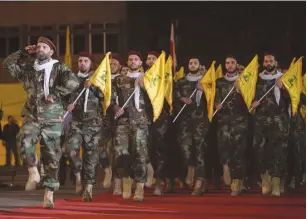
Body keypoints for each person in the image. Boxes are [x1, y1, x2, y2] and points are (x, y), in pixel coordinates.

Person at [3, 36, 79, 208]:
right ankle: (33, 171)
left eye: (44, 47)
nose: (40, 49)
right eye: (38, 47)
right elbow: (8, 64)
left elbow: (74, 83)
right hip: (32, 115)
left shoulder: (58, 68)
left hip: (52, 118)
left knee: (52, 156)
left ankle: (49, 193)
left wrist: (56, 93)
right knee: (24, 139)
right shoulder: (29, 69)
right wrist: (22, 52)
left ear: (51, 52)